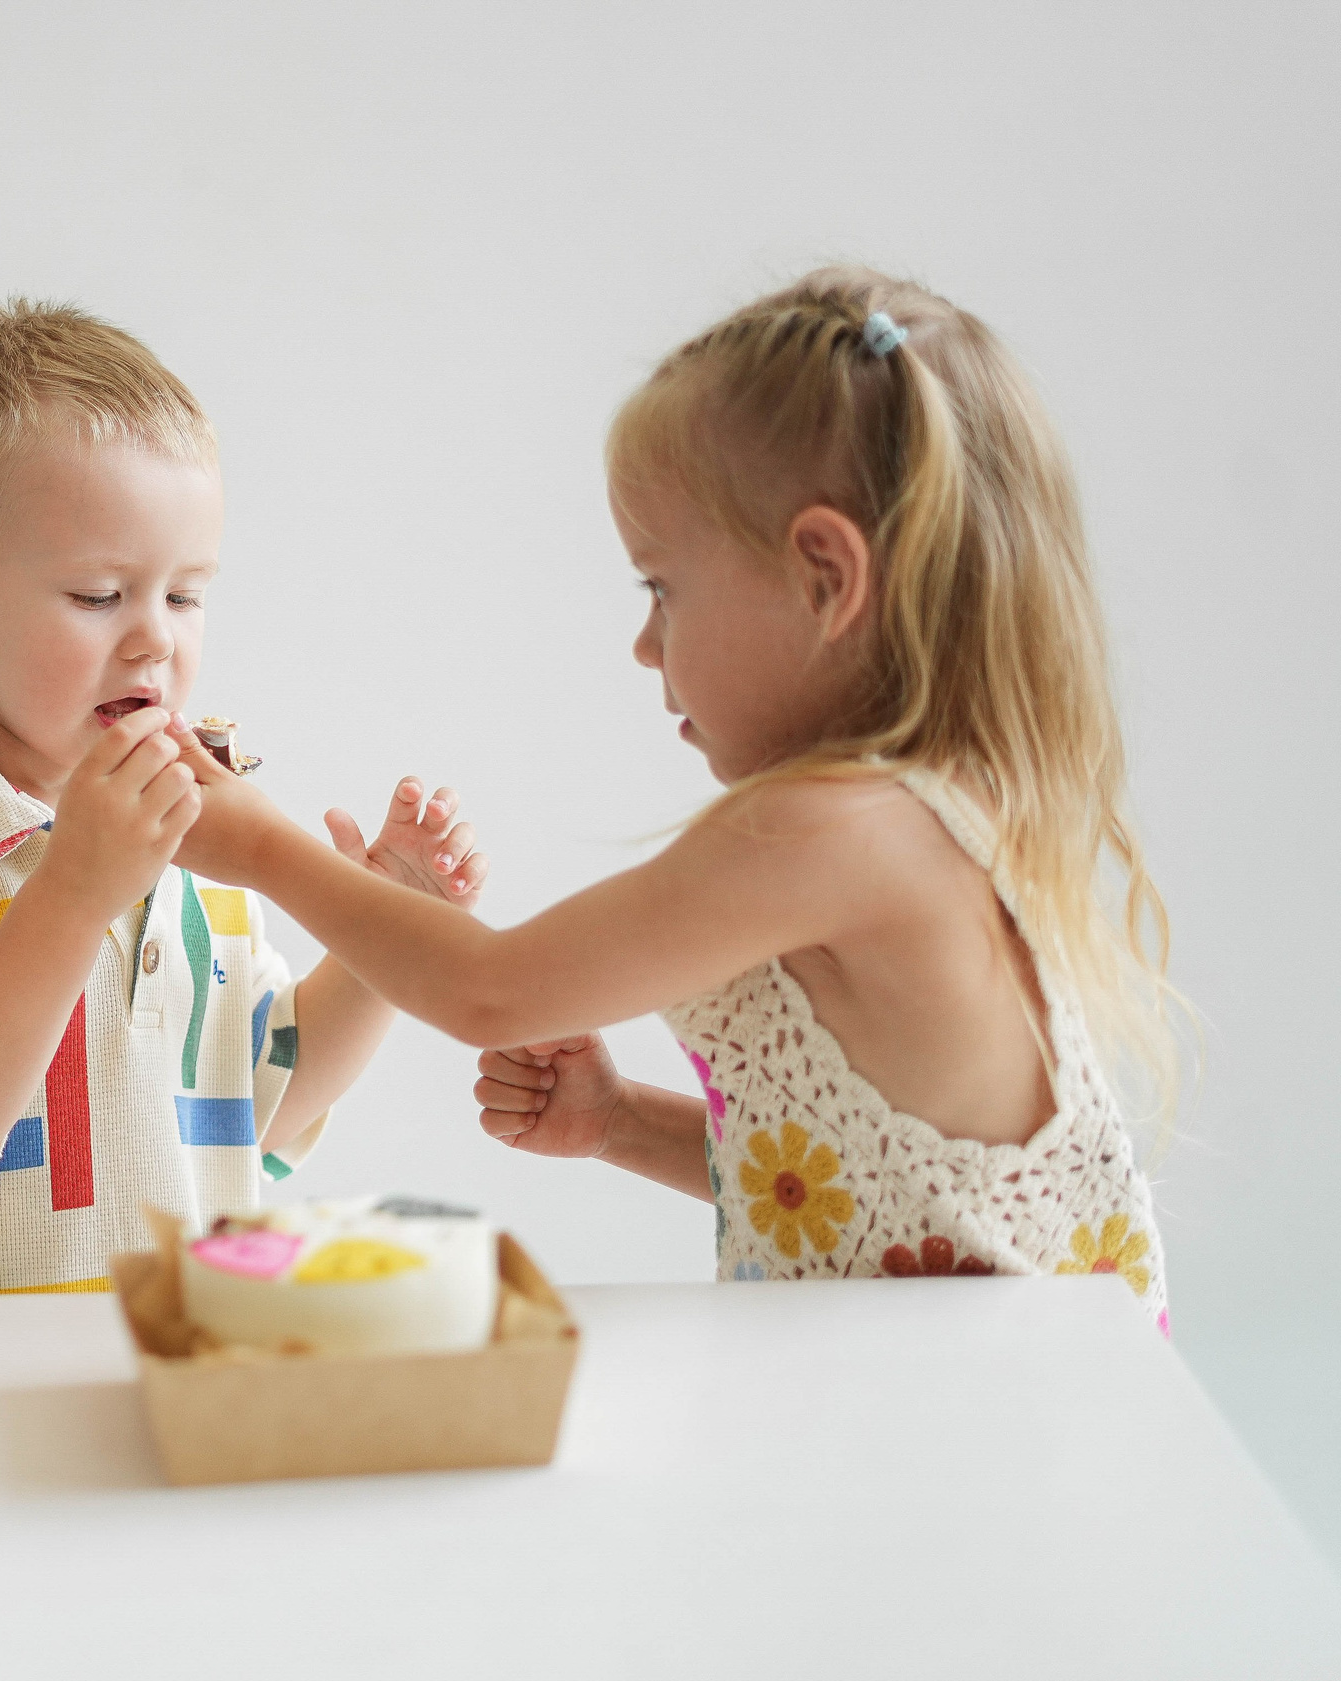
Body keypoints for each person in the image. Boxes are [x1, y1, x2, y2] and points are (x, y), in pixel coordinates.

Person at [169, 268, 1177, 1324]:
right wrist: (619, 1125)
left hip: (969, 1424)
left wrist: (259, 850)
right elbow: (891, 1192)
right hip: (994, 1397)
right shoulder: (960, 809)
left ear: (825, 576)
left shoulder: (826, 829)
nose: (644, 642)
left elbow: (493, 993)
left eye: (662, 587)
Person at [0, 300, 482, 1297]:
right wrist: (73, 892)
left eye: (184, 594)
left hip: (170, 1373)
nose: (156, 640)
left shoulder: (203, 829)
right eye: (100, 595)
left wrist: (383, 936)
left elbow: (262, 1114)